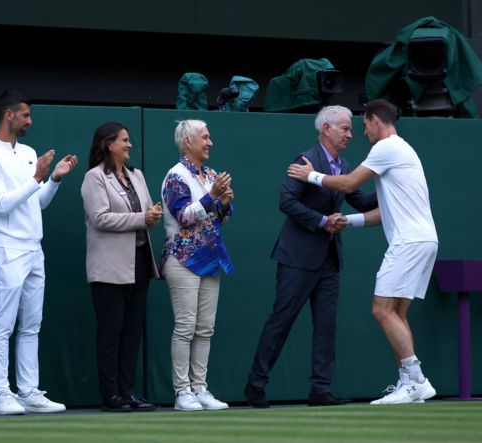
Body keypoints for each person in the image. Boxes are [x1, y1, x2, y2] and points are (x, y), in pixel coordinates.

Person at [287, 98, 438, 404]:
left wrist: (311, 176)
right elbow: (384, 212)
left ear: (375, 119)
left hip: (408, 242)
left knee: (381, 309)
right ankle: (408, 383)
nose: (361, 131)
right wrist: (349, 222)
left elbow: (348, 183)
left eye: (364, 124)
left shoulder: (386, 148)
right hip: (424, 240)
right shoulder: (404, 150)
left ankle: (418, 379)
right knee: (396, 313)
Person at [244, 105, 378, 408]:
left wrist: (390, 185)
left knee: (326, 325)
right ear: (326, 129)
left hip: (329, 261)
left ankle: (320, 390)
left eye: (351, 129)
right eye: (345, 128)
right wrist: (321, 221)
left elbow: (360, 199)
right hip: (297, 258)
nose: (350, 134)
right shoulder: (305, 161)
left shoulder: (343, 164)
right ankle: (255, 385)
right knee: (281, 320)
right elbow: (286, 201)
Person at [0, 90, 78, 415]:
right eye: (25, 116)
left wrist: (54, 180)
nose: (30, 121)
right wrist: (36, 177)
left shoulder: (30, 152)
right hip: (6, 247)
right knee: (4, 323)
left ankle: (29, 391)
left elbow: (37, 202)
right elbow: (0, 204)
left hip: (34, 248)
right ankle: (0, 394)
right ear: (8, 116)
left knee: (32, 323)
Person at [81, 122, 162, 413]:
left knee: (132, 331)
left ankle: (128, 392)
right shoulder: (94, 178)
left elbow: (149, 209)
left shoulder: (136, 175)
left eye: (129, 140)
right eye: (124, 140)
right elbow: (100, 218)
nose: (129, 145)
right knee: (111, 331)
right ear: (108, 144)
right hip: (108, 266)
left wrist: (152, 214)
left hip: (140, 262)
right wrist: (142, 218)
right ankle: (110, 394)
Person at [160, 119, 234, 411]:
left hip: (210, 257)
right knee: (186, 326)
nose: (210, 143)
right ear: (187, 141)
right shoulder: (175, 176)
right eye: (204, 137)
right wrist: (213, 196)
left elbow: (220, 218)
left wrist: (225, 203)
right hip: (182, 258)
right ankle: (182, 392)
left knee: (205, 328)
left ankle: (200, 388)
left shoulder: (211, 174)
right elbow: (184, 218)